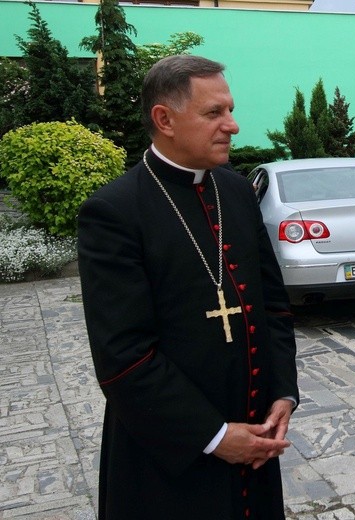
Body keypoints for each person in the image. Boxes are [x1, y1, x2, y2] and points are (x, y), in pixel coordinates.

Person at [77, 55, 299, 519]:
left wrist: (283, 393)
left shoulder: (236, 191)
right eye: (214, 113)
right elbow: (123, 356)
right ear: (165, 119)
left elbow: (273, 306)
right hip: (168, 455)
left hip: (254, 437)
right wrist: (215, 437)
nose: (232, 125)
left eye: (230, 110)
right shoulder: (114, 211)